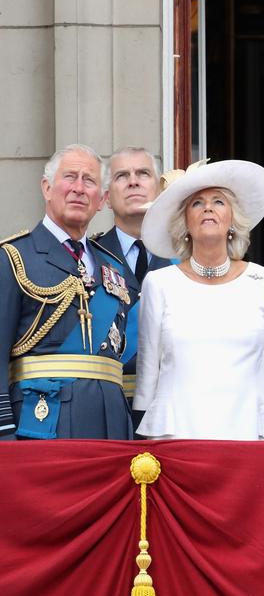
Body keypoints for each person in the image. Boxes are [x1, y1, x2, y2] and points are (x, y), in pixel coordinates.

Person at [133, 159, 264, 440]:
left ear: (232, 218)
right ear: (184, 223)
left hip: (247, 434)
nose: (208, 207)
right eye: (196, 203)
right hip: (178, 436)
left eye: (218, 201)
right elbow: (148, 375)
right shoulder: (159, 283)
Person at [0, 144, 137, 440]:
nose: (78, 188)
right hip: (41, 423)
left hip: (110, 423)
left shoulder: (114, 266)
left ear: (101, 200)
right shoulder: (13, 257)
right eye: (69, 177)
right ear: (47, 188)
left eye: (89, 181)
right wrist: (3, 430)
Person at [93, 146, 172, 409]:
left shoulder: (184, 260)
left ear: (160, 191)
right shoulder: (88, 259)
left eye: (143, 173)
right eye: (122, 176)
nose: (134, 181)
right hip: (107, 406)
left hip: (171, 406)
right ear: (105, 196)